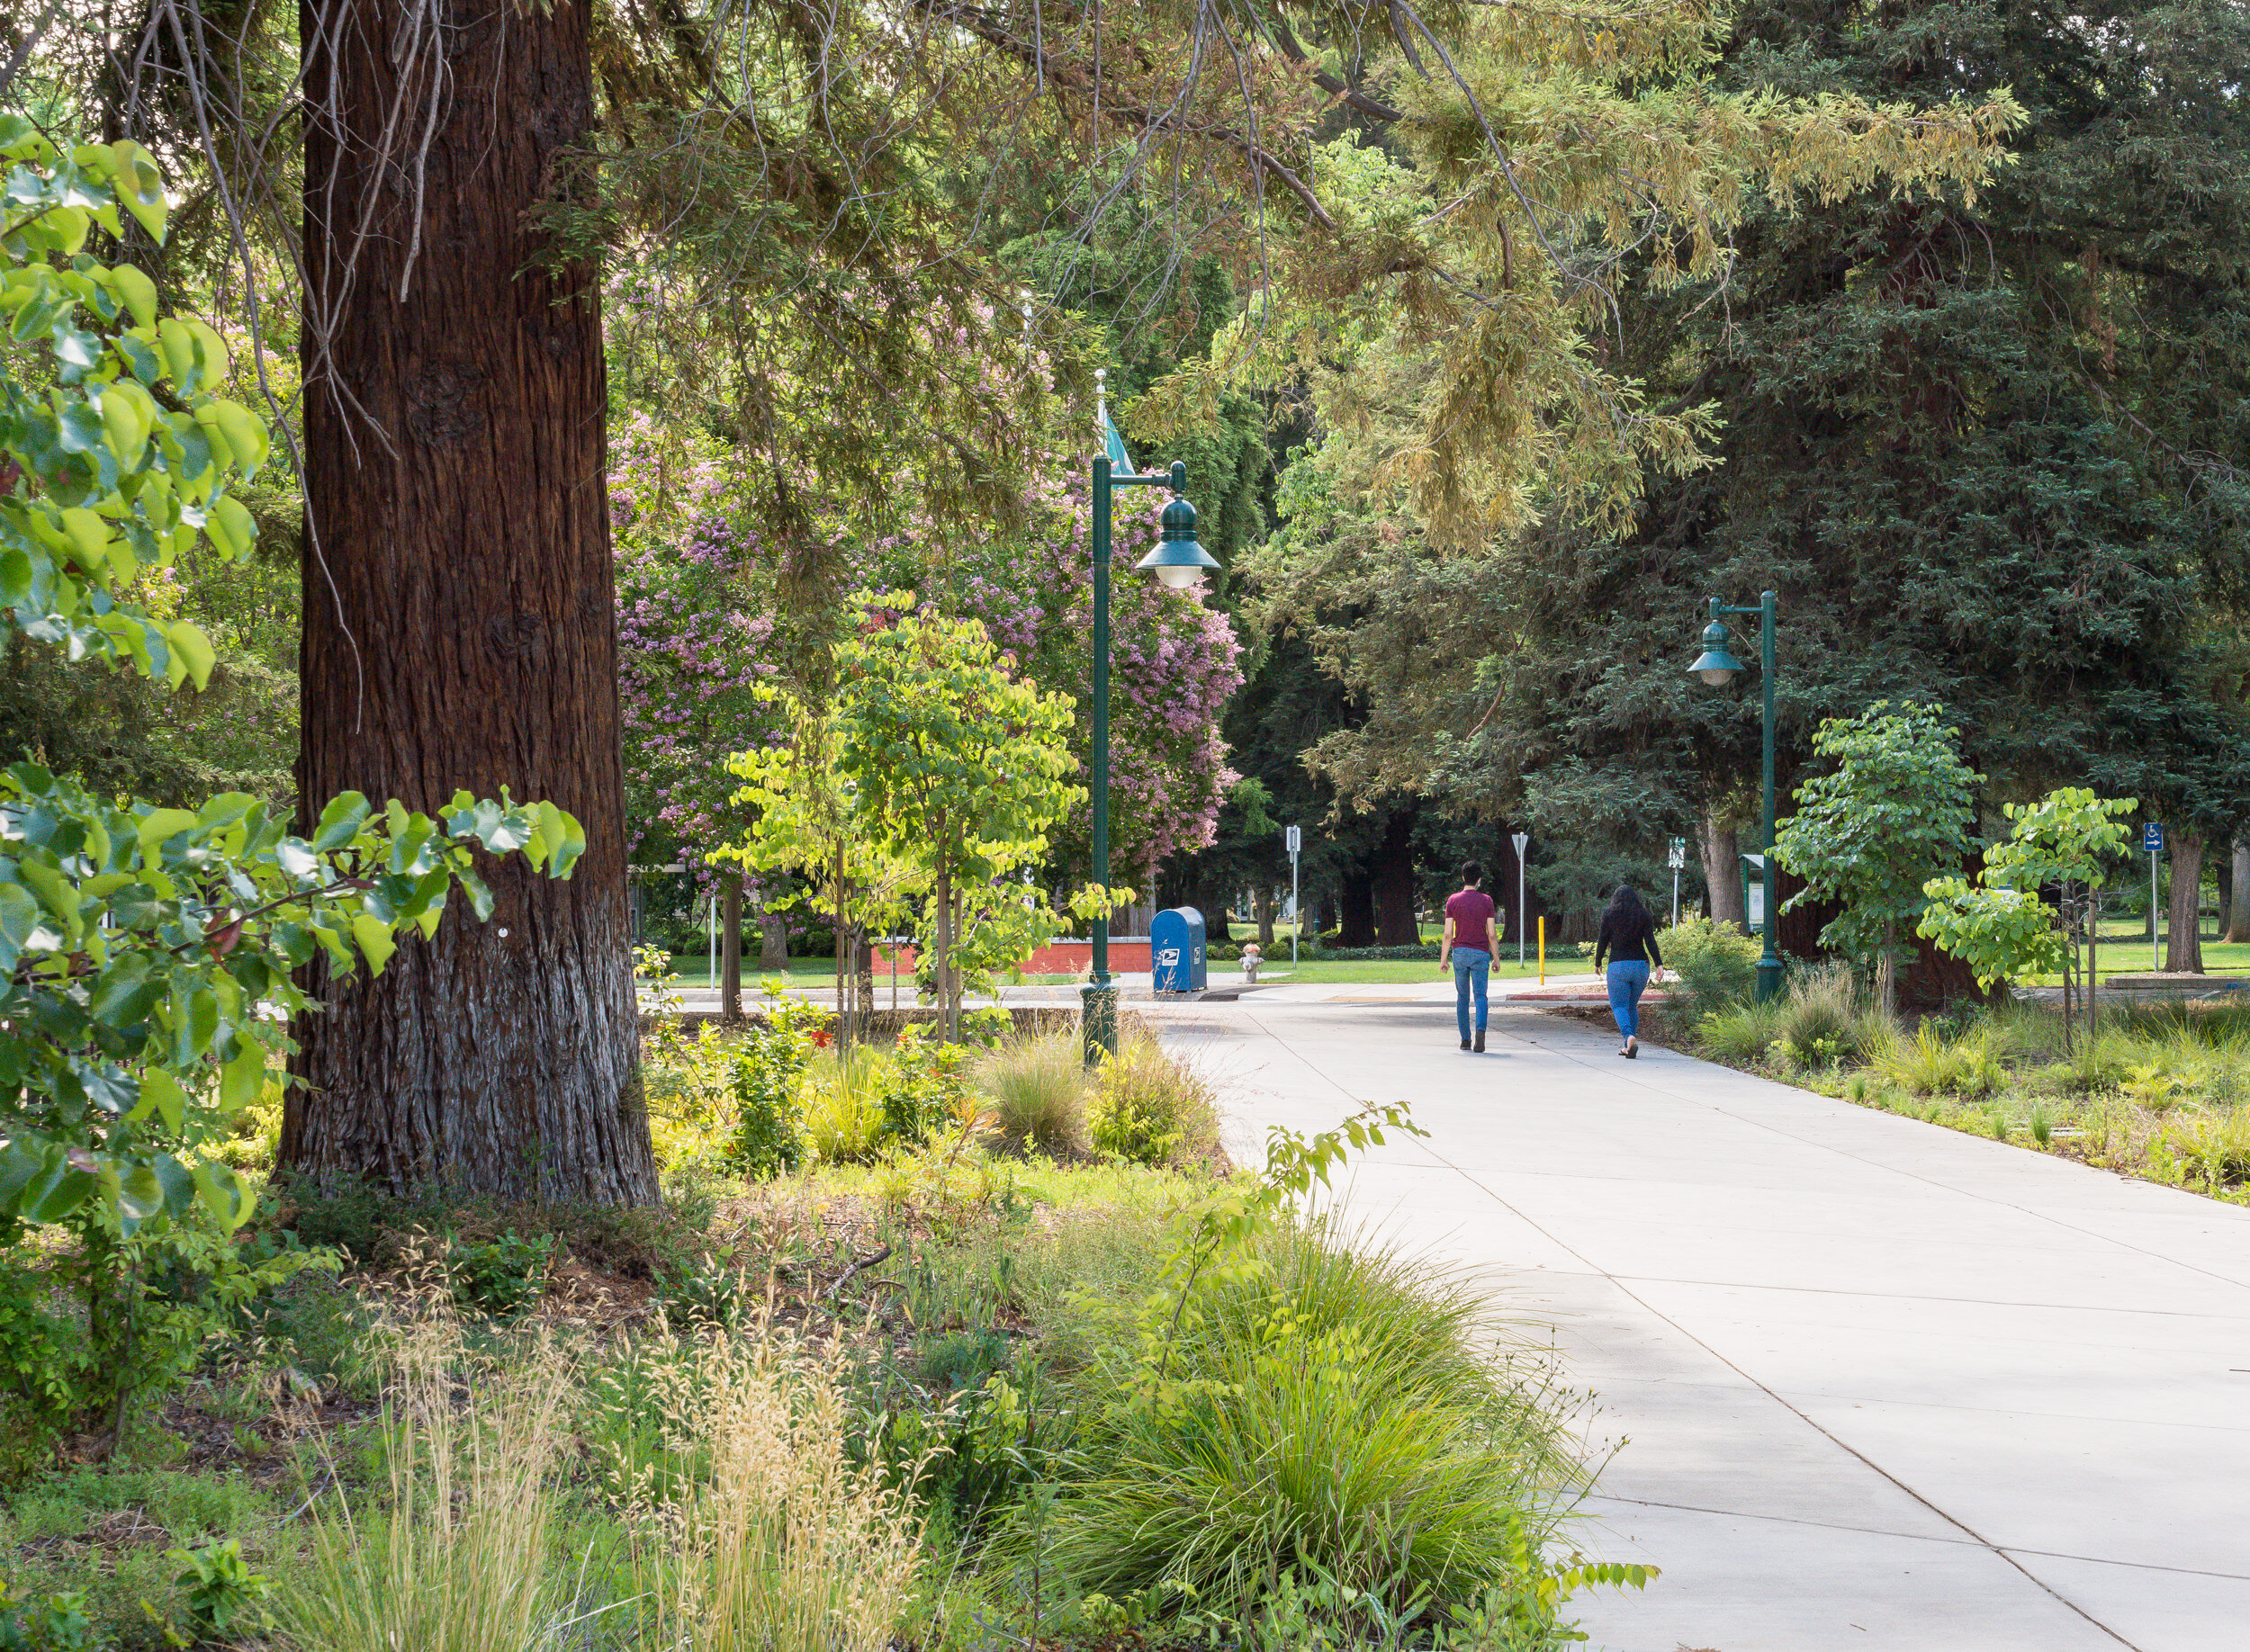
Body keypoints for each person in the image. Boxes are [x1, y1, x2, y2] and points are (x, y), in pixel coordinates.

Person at [1593, 884, 1663, 1058]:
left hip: (1618, 966)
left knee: (1618, 1005)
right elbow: (1650, 941)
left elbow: (1603, 939)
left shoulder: (1609, 914)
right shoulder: (1643, 914)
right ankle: (1627, 1048)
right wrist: (1659, 964)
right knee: (1631, 1006)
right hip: (1641, 966)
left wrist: (1598, 961)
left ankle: (1628, 1036)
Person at [1439, 861, 1499, 1052]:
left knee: (1462, 997)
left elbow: (1448, 934)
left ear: (1463, 877)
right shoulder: (1487, 901)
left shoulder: (1453, 900)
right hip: (1481, 953)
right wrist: (1496, 958)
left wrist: (1444, 959)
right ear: (1479, 879)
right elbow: (1491, 934)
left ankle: (1465, 1039)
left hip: (1460, 953)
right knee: (1481, 996)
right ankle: (1480, 1032)